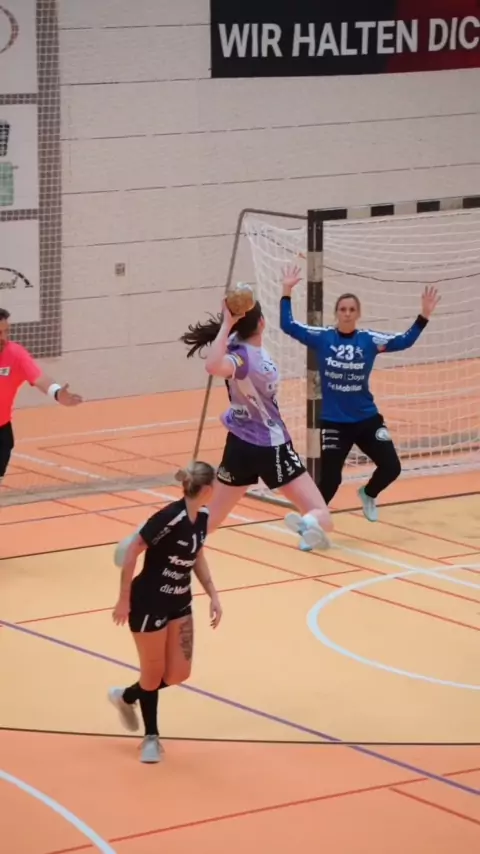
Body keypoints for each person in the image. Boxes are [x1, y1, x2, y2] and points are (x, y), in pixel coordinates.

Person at [279, 265, 440, 522]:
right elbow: (287, 325)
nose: (347, 313)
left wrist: (424, 316)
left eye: (351, 309)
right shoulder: (322, 337)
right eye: (343, 309)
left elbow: (404, 341)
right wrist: (287, 289)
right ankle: (310, 522)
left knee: (392, 467)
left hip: (366, 419)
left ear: (358, 314)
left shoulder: (369, 340)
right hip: (334, 422)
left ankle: (368, 493)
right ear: (336, 313)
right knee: (331, 479)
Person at [180, 297, 334, 552]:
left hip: (239, 446)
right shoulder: (251, 361)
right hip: (271, 446)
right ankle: (308, 523)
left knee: (211, 518)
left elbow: (214, 361)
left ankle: (170, 541)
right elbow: (213, 365)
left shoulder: (234, 349)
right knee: (323, 515)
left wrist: (227, 321)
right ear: (262, 323)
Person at [108, 462, 223, 764]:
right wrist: (123, 599)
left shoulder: (202, 517)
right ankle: (151, 737)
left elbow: (196, 555)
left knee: (178, 673)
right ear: (207, 489)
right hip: (148, 602)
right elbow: (132, 550)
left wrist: (213, 593)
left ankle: (126, 696)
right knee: (152, 672)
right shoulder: (169, 517)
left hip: (179, 602)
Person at [0, 308, 82, 483]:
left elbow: (40, 379)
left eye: (6, 332)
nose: (4, 338)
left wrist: (57, 393)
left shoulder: (15, 354)